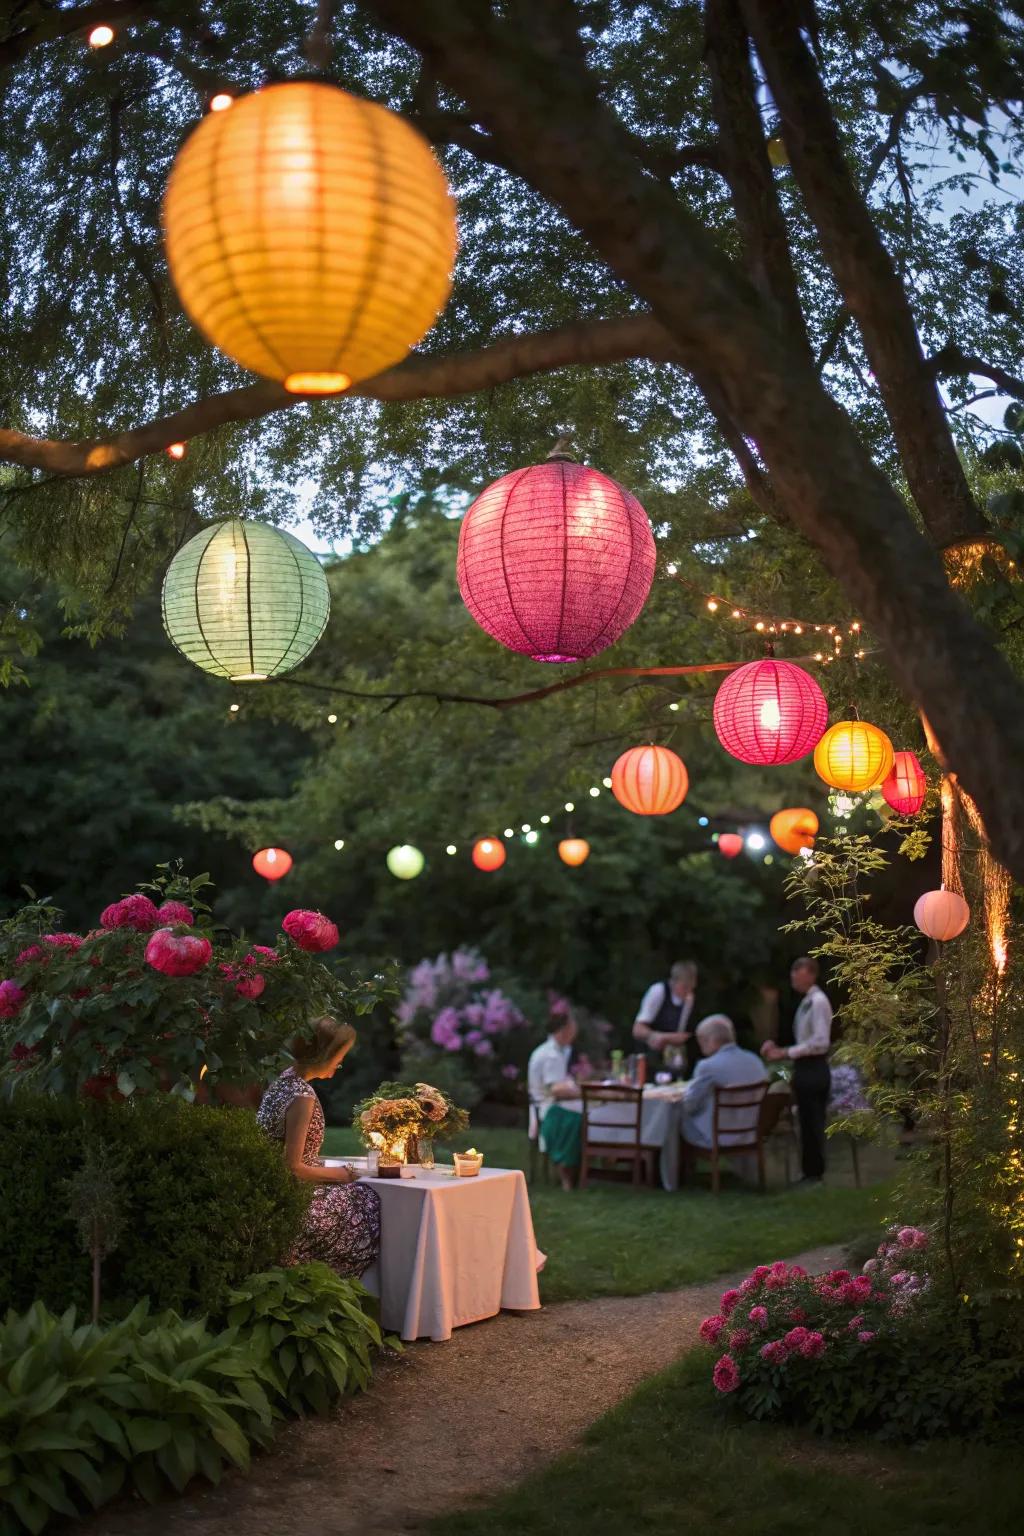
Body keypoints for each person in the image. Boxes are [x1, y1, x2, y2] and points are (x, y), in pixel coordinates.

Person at [257, 1016, 381, 1275]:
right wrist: (345, 1174)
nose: (339, 1064)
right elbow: (293, 1168)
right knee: (368, 1201)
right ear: (324, 1056)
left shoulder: (284, 1079)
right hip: (288, 1196)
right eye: (339, 1058)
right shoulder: (302, 1097)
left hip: (268, 1185)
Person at [761, 957, 833, 1186]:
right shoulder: (805, 1003)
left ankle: (815, 1173)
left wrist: (786, 1053)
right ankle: (808, 1172)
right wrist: (779, 1049)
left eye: (797, 973)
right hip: (803, 1068)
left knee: (813, 1121)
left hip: (814, 1067)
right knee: (805, 1121)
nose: (793, 977)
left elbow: (820, 1042)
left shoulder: (818, 1002)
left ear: (810, 975)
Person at [680, 1014, 768, 1153]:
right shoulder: (756, 1061)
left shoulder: (707, 1066)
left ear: (710, 1040)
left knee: (673, 1116)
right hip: (750, 1134)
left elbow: (689, 1106)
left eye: (701, 1040)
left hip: (717, 1137)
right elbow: (782, 1075)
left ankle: (669, 1174)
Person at [527, 1010, 580, 1190]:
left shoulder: (556, 1051)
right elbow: (556, 1089)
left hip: (549, 1103)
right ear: (563, 1030)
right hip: (548, 1108)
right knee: (578, 1119)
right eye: (573, 1027)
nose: (575, 1032)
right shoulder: (551, 1055)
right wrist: (580, 1091)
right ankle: (566, 1171)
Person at [632, 960, 698, 1074]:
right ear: (674, 982)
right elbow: (637, 1029)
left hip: (669, 1056)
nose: (687, 992)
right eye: (684, 987)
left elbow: (679, 1032)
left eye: (690, 988)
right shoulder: (658, 991)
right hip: (649, 1055)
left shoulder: (689, 998)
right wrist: (656, 1036)